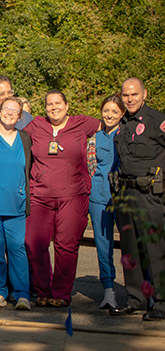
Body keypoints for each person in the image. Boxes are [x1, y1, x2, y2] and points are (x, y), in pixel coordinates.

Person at [22, 90, 99, 308]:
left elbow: (111, 124)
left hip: (73, 196)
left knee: (67, 246)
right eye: (49, 104)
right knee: (34, 243)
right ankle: (43, 292)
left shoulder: (82, 123)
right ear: (44, 108)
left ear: (67, 105)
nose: (54, 107)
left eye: (58, 103)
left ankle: (61, 294)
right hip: (40, 195)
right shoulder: (36, 125)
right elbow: (11, 133)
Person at [110, 78, 165, 321]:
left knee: (155, 249)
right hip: (126, 193)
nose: (129, 99)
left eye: (134, 94)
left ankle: (161, 302)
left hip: (150, 195)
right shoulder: (122, 124)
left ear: (144, 94)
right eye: (125, 95)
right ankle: (137, 299)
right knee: (130, 249)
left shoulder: (156, 121)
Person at [0, 97, 32, 310]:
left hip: (16, 204)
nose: (10, 113)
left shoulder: (25, 138)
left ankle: (22, 294)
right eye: (6, 109)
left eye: (15, 110)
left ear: (20, 116)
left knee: (17, 249)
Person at [89, 94, 124, 310]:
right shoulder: (95, 137)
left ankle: (142, 292)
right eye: (106, 110)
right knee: (103, 245)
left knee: (131, 246)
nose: (109, 115)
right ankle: (108, 291)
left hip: (122, 198)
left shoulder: (127, 135)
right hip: (98, 197)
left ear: (122, 114)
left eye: (114, 111)